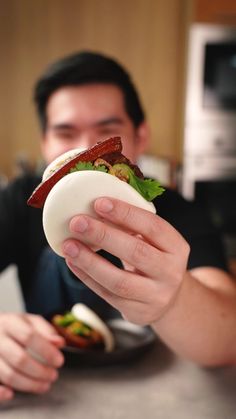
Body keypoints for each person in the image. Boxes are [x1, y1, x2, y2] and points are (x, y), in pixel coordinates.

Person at [1, 51, 236, 402]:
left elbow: (227, 337)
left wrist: (174, 300)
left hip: (157, 394)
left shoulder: (174, 208)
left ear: (140, 138)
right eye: (66, 133)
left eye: (106, 133)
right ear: (45, 144)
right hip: (45, 386)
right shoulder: (19, 199)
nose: (85, 150)